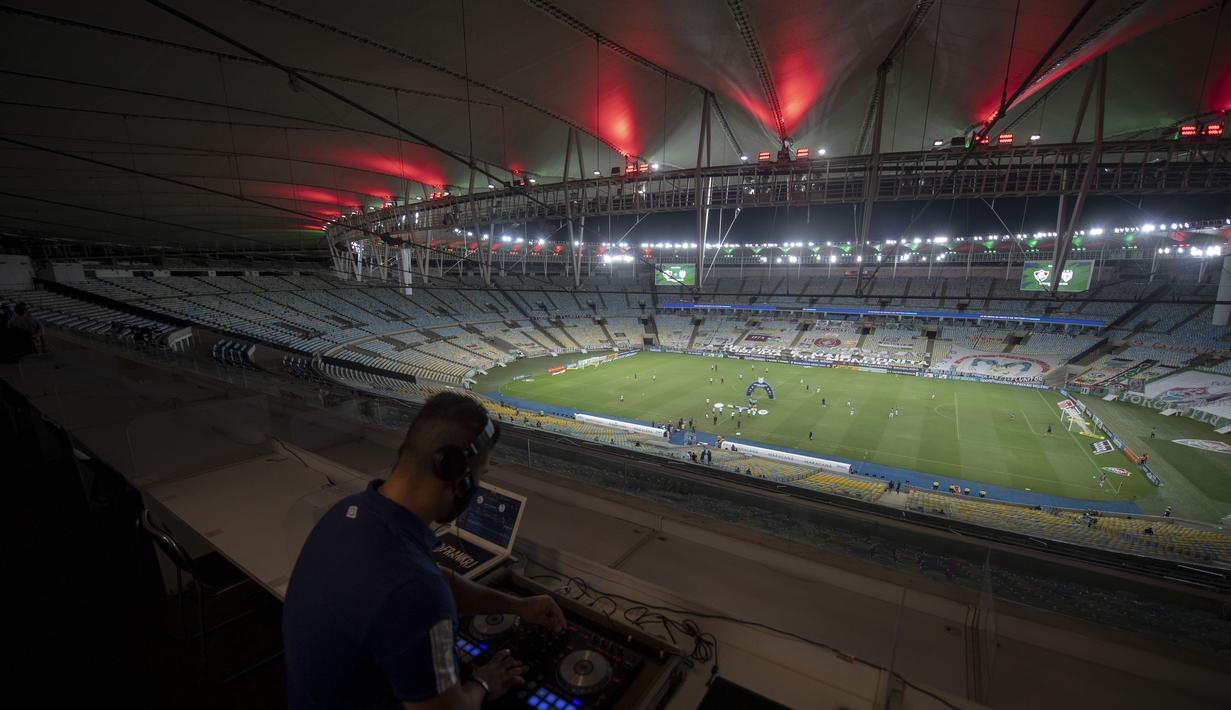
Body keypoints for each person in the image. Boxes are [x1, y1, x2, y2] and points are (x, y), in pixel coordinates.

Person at [284, 393, 564, 710]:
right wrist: (484, 682)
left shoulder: (348, 512)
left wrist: (518, 606)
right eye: (480, 475)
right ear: (459, 478)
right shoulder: (414, 591)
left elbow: (437, 583)